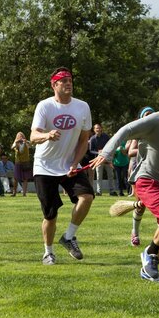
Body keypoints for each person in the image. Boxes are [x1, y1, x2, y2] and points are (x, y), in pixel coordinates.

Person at [91, 78, 159, 283]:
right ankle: (149, 254)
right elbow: (126, 130)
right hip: (147, 180)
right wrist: (106, 153)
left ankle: (150, 268)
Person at [30, 67, 94, 265]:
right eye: (63, 80)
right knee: (51, 214)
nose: (68, 83)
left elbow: (84, 139)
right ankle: (48, 252)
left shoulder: (82, 107)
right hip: (44, 166)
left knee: (87, 197)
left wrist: (75, 163)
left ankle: (69, 237)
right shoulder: (45, 106)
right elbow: (33, 136)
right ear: (54, 85)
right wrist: (46, 135)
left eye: (70, 80)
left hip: (68, 166)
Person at [127, 106, 155, 246]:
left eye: (152, 114)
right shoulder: (138, 132)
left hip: (158, 171)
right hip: (140, 172)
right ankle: (135, 233)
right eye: (147, 114)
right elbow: (131, 151)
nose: (150, 116)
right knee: (141, 205)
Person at [88, 123, 117, 196]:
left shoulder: (106, 137)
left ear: (101, 129)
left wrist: (104, 151)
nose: (98, 129)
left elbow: (110, 145)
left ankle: (112, 191)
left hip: (107, 159)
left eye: (99, 128)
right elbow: (91, 150)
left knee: (111, 175)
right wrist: (98, 152)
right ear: (94, 130)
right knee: (98, 176)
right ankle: (99, 192)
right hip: (98, 159)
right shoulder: (92, 139)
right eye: (96, 128)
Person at [11, 132, 32, 197]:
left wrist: (26, 142)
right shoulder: (16, 143)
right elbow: (12, 147)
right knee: (15, 178)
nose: (21, 137)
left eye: (22, 136)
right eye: (19, 136)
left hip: (25, 162)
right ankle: (14, 192)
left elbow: (31, 145)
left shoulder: (26, 142)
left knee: (25, 178)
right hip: (18, 162)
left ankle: (24, 193)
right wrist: (16, 141)